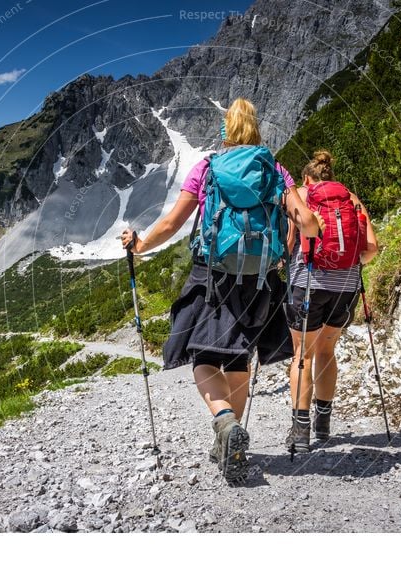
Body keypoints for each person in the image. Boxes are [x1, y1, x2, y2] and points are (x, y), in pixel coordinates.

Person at [121, 98, 323, 484]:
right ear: (257, 130)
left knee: (202, 356)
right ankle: (233, 445)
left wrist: (140, 245)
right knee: (238, 359)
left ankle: (225, 422)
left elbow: (172, 223)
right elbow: (309, 224)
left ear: (225, 130)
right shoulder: (275, 170)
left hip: (212, 277)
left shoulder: (208, 168)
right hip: (260, 281)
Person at [284, 150, 378, 452]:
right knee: (326, 351)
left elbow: (288, 245)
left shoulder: (299, 194)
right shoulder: (351, 198)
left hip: (307, 284)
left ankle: (300, 434)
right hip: (346, 287)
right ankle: (323, 426)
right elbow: (371, 249)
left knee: (303, 355)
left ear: (307, 178)